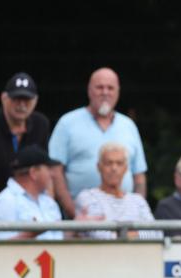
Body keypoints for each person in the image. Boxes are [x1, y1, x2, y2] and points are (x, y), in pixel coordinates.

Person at [49, 68, 148, 217]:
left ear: (118, 92)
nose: (105, 92)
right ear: (89, 90)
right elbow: (54, 172)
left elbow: (139, 176)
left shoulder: (128, 126)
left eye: (110, 88)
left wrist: (139, 213)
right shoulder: (67, 123)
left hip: (125, 221)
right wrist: (75, 216)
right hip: (80, 219)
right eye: (99, 87)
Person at [74, 143, 161, 240]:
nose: (114, 168)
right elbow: (98, 235)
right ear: (99, 167)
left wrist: (120, 235)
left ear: (126, 168)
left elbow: (157, 233)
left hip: (137, 254)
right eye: (108, 163)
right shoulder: (87, 196)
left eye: (119, 163)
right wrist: (135, 234)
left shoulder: (138, 200)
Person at [0, 73, 51, 193]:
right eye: (16, 98)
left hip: (28, 201)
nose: (21, 104)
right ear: (4, 98)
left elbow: (44, 167)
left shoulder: (41, 124)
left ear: (35, 100)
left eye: (27, 99)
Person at [0, 145, 63, 240]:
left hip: (56, 255)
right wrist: (30, 234)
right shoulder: (6, 201)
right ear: (34, 172)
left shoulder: (49, 201)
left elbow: (58, 238)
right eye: (48, 169)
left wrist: (76, 226)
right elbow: (0, 249)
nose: (53, 174)